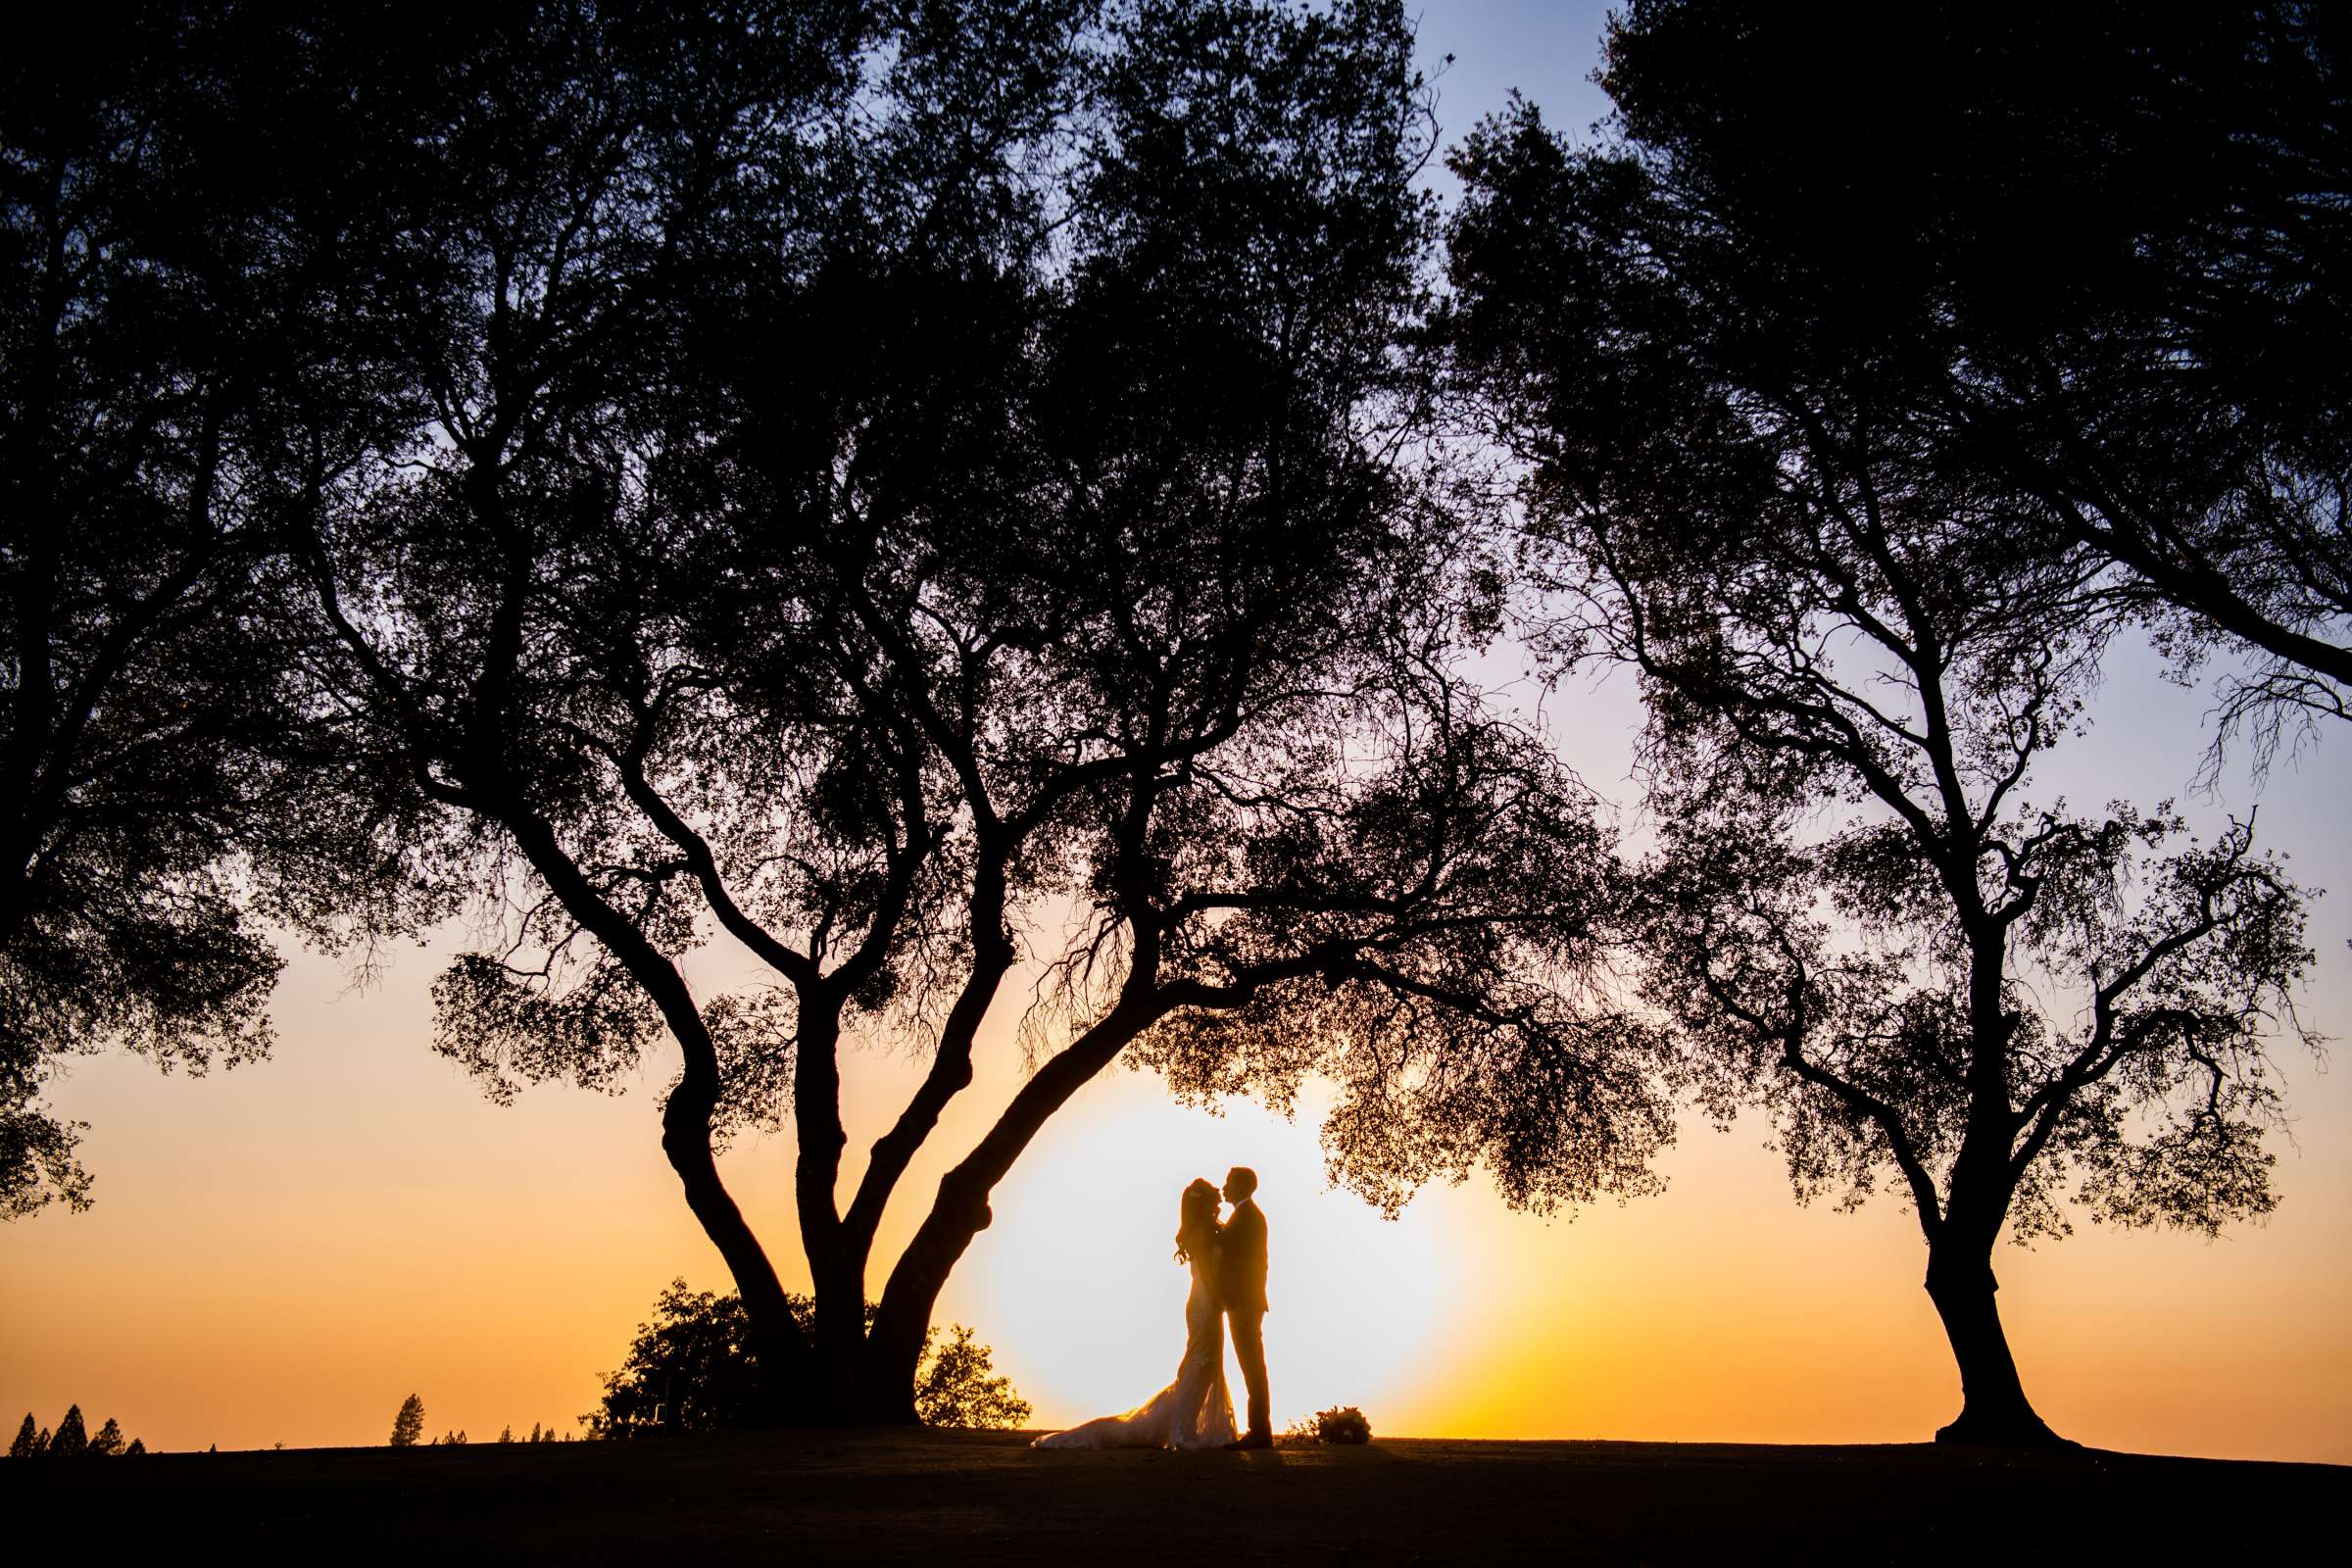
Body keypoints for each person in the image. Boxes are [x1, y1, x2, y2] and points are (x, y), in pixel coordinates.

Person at [1031, 1178, 1238, 1449]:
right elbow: (1209, 1275)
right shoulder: (1201, 1232)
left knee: (1207, 1365)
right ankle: (1182, 1431)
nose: (1219, 1202)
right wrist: (1222, 1300)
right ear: (1205, 1205)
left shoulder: (1208, 1230)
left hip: (1208, 1303)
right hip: (1205, 1303)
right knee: (1200, 1364)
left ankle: (1185, 1426)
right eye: (1214, 1198)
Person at [1217, 1165, 1271, 1449]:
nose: (1224, 1187)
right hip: (1244, 1303)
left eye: (1228, 1182)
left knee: (1252, 1367)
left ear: (1240, 1186)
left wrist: (1236, 1300)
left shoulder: (1248, 1217)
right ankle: (1260, 1431)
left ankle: (1260, 1432)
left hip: (1244, 1304)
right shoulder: (1243, 1216)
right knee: (1252, 1366)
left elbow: (1248, 1265)